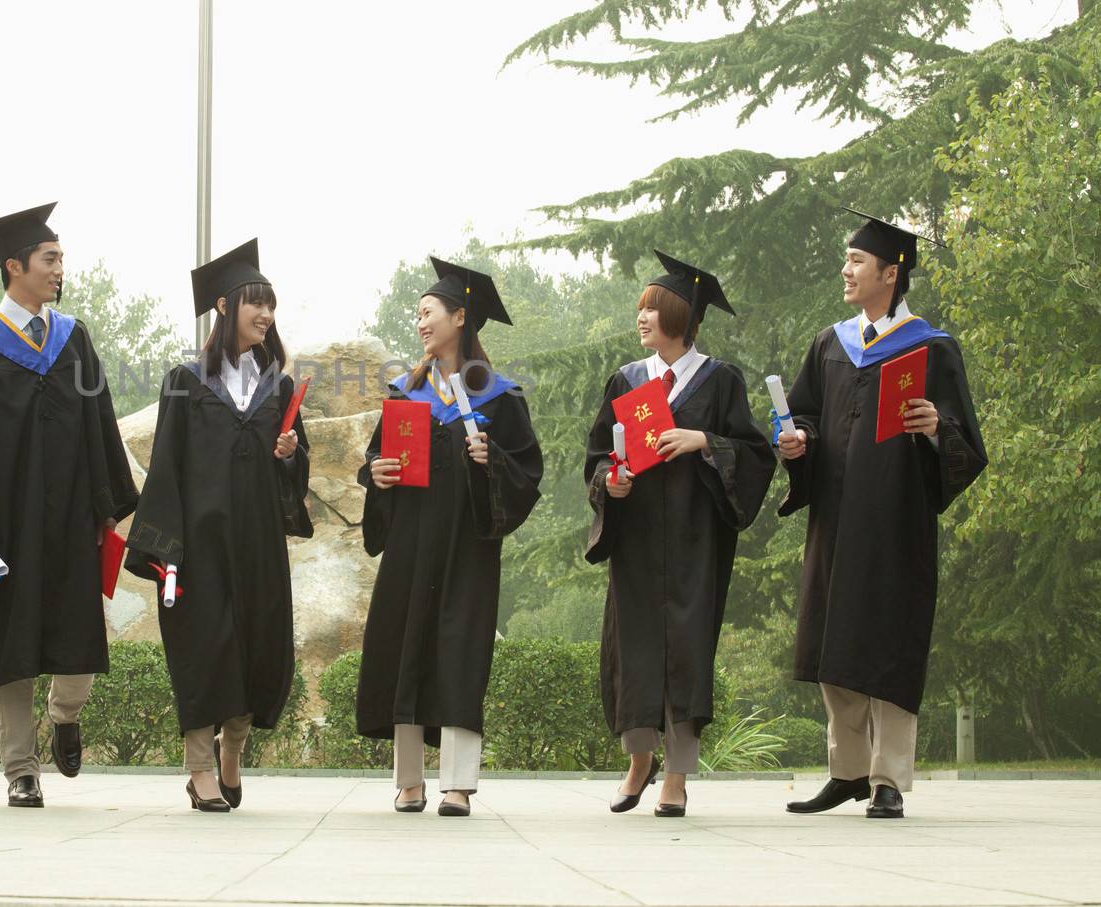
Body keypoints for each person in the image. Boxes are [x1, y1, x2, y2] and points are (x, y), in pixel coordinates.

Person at [0, 202, 138, 808]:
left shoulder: (73, 338)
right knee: (10, 647)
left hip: (69, 516)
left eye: (61, 258)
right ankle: (21, 768)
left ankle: (65, 713)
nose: (59, 269)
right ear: (14, 265)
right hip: (6, 523)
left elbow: (99, 422)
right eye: (49, 259)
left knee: (79, 641)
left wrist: (106, 507)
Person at [778, 209, 987, 820]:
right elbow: (805, 417)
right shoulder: (829, 344)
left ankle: (888, 777)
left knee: (889, 640)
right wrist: (798, 443)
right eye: (847, 259)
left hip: (897, 523)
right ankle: (845, 770)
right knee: (833, 636)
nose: (846, 270)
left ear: (890, 274)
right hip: (838, 519)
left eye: (856, 261)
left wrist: (933, 429)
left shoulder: (932, 348)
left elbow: (965, 442)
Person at [583, 252, 774, 817]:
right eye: (641, 309)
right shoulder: (627, 380)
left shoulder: (720, 381)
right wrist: (608, 483)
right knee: (635, 648)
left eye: (652, 309)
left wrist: (703, 442)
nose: (641, 318)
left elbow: (757, 456)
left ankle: (677, 775)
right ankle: (638, 761)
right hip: (638, 542)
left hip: (695, 544)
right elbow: (599, 456)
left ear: (681, 318)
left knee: (686, 653)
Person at [125, 239, 313, 813]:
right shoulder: (186, 380)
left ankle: (233, 753)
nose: (266, 315)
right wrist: (165, 552)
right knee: (204, 652)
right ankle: (200, 769)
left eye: (272, 306)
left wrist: (287, 454)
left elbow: (296, 472)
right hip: (199, 547)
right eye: (257, 303)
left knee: (255, 650)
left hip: (256, 545)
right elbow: (166, 470)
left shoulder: (278, 387)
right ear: (226, 306)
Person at [356, 258, 543, 817]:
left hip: (468, 547)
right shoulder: (406, 390)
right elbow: (374, 459)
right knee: (406, 647)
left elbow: (527, 472)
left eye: (428, 313)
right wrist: (378, 472)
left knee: (461, 653)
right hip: (411, 543)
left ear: (460, 318)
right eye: (417, 315)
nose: (419, 323)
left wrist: (491, 462)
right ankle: (408, 781)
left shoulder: (499, 395)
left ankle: (458, 784)